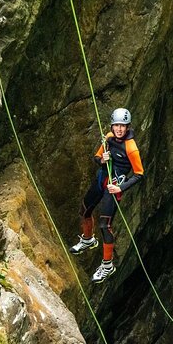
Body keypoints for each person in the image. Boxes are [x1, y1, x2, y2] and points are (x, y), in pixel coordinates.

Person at [69, 108, 144, 283]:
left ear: (127, 127)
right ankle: (88, 240)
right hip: (102, 178)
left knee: (105, 226)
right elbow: (96, 157)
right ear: (112, 125)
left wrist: (121, 188)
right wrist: (102, 160)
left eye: (122, 126)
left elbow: (139, 174)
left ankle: (107, 265)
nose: (119, 129)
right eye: (116, 125)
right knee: (84, 209)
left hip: (114, 186)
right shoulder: (109, 138)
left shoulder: (131, 148)